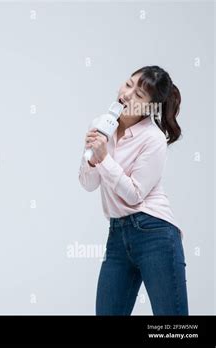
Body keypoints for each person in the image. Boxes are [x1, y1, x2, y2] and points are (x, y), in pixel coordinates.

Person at [79, 66, 188, 315]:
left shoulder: (153, 139)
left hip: (155, 232)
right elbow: (88, 184)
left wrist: (104, 158)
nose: (127, 95)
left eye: (139, 95)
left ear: (149, 107)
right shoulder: (100, 125)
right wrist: (92, 158)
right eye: (128, 84)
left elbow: (135, 194)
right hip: (117, 233)